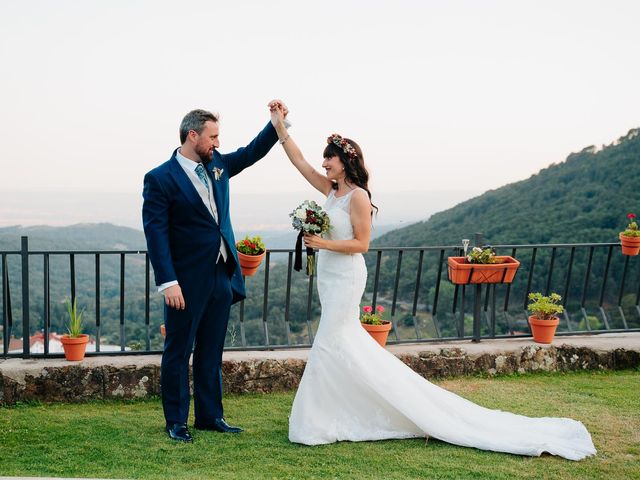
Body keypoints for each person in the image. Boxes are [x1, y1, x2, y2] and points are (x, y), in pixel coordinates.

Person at [268, 104, 596, 461]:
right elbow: (300, 164)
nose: (324, 164)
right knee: (342, 343)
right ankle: (341, 412)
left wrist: (322, 243)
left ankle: (317, 421)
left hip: (346, 276)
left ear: (345, 162)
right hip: (328, 278)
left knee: (330, 341)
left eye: (329, 159)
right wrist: (280, 128)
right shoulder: (331, 191)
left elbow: (362, 244)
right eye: (324, 160)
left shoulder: (358, 197)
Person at [143, 101, 288, 442]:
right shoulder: (159, 179)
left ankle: (210, 416)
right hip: (185, 282)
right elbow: (156, 236)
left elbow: (252, 152)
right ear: (192, 136)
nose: (218, 143)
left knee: (211, 350)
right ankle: (176, 422)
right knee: (179, 352)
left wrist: (276, 122)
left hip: (221, 276)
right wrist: (168, 282)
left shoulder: (218, 164)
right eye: (213, 137)